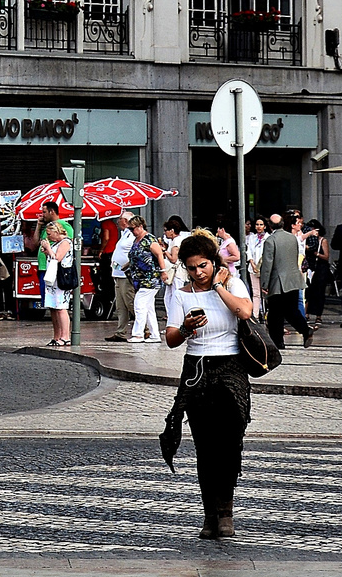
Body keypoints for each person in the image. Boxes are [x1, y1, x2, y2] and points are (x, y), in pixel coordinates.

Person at [161, 230, 254, 540]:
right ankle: (209, 515)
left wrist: (217, 287)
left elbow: (245, 311)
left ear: (214, 262)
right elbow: (171, 338)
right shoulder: (182, 293)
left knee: (229, 443)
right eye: (191, 267)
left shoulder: (232, 283)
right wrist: (186, 328)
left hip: (230, 368)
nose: (198, 273)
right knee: (204, 446)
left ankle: (226, 512)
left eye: (203, 266)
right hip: (197, 369)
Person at [260, 212, 314, 349]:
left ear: (270, 226)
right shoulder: (292, 238)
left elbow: (267, 264)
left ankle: (278, 342)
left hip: (278, 282)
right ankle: (305, 330)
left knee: (275, 314)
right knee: (291, 310)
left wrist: (264, 283)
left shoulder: (270, 241)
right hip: (293, 280)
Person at [126, 216, 164, 344]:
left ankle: (138, 334)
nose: (131, 231)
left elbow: (159, 254)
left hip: (150, 278)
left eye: (132, 228)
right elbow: (135, 257)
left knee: (139, 304)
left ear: (140, 226)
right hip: (140, 279)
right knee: (148, 308)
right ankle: (155, 335)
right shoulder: (137, 240)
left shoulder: (149, 239)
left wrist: (163, 271)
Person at [40, 214, 72, 347]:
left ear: (56, 231)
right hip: (52, 278)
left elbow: (57, 258)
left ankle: (65, 336)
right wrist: (47, 251)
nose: (48, 237)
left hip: (61, 278)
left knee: (61, 307)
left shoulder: (66, 242)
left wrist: (48, 248)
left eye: (49, 234)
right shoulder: (56, 243)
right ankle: (56, 335)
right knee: (53, 307)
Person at [106, 215, 137, 342]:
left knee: (130, 302)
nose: (118, 221)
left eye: (120, 219)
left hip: (125, 274)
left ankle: (145, 328)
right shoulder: (124, 234)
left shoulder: (133, 235)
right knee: (120, 306)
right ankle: (121, 331)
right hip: (117, 274)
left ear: (127, 221)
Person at [302, 220, 332, 327]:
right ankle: (307, 313)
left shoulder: (322, 241)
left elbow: (326, 256)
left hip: (320, 268)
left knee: (319, 292)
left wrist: (316, 253)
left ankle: (318, 315)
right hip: (310, 267)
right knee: (308, 291)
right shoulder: (307, 241)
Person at [246, 218, 267, 318]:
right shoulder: (252, 237)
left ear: (265, 226)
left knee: (266, 293)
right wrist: (253, 264)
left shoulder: (268, 237)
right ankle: (256, 315)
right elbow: (249, 251)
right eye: (257, 224)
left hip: (265, 269)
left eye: (261, 224)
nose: (259, 226)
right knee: (256, 293)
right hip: (253, 268)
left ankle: (267, 314)